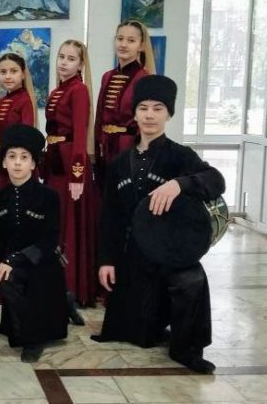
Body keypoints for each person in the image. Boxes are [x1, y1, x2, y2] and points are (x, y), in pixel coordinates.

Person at [91, 75, 225, 374]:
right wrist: (106, 261)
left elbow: (216, 180)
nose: (150, 115)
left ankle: (187, 349)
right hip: (134, 257)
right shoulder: (118, 164)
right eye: (143, 108)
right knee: (140, 335)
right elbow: (110, 217)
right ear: (135, 114)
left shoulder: (180, 156)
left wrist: (180, 184)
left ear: (169, 114)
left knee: (191, 282)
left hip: (171, 253)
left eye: (158, 108)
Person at [0, 124, 68, 363]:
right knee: (5, 278)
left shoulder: (49, 196)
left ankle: (34, 339)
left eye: (24, 157)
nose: (17, 163)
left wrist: (13, 260)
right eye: (12, 157)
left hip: (41, 263)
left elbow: (50, 240)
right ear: (4, 163)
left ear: (33, 164)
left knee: (10, 275)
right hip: (12, 266)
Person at [43, 39, 98, 321]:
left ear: (81, 64)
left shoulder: (79, 90)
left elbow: (79, 133)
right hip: (54, 162)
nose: (64, 62)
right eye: (61, 57)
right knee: (56, 224)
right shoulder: (56, 91)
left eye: (71, 58)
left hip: (70, 164)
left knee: (70, 226)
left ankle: (73, 289)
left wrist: (78, 174)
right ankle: (55, 285)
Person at [0, 52, 38, 240]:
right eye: (3, 72)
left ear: (23, 74)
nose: (7, 76)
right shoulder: (0, 102)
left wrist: (14, 163)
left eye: (13, 71)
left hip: (14, 167)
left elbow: (26, 140)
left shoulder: (25, 101)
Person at [94, 19, 155, 184]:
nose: (123, 44)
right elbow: (99, 117)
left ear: (141, 46)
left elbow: (146, 121)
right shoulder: (107, 76)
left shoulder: (144, 78)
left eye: (131, 40)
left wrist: (141, 155)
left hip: (129, 148)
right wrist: (95, 147)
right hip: (105, 148)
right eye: (120, 39)